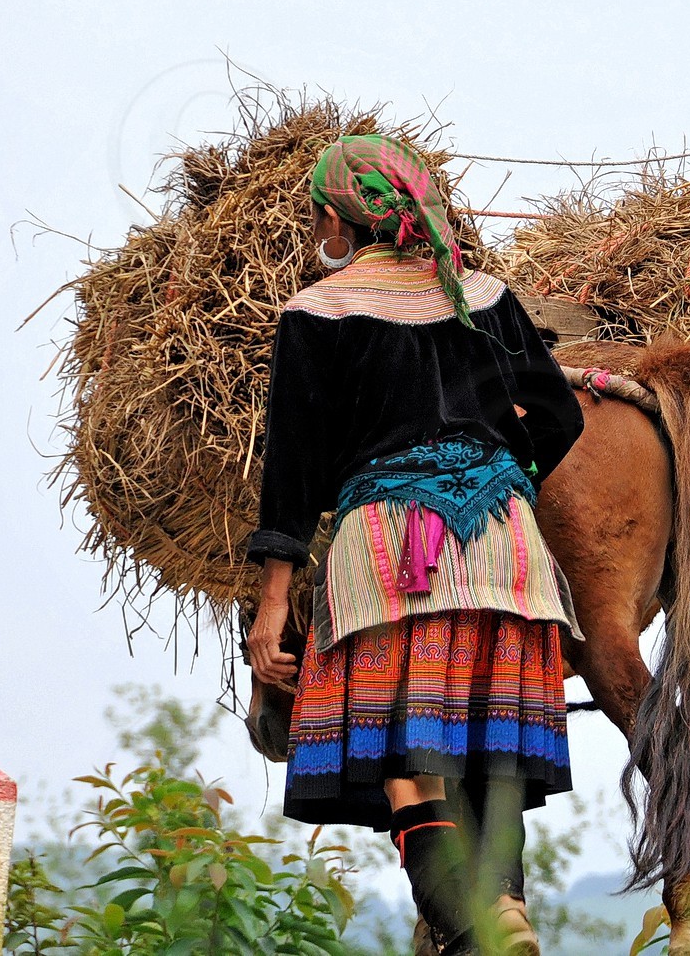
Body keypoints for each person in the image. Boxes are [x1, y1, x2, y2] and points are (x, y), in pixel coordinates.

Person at [244, 133, 585, 956]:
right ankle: (505, 907)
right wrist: (500, 471)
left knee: (407, 759)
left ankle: (477, 926)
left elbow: (292, 470)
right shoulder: (487, 296)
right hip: (504, 545)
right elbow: (563, 416)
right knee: (490, 747)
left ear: (337, 218)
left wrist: (273, 605)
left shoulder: (316, 313)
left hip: (390, 554)